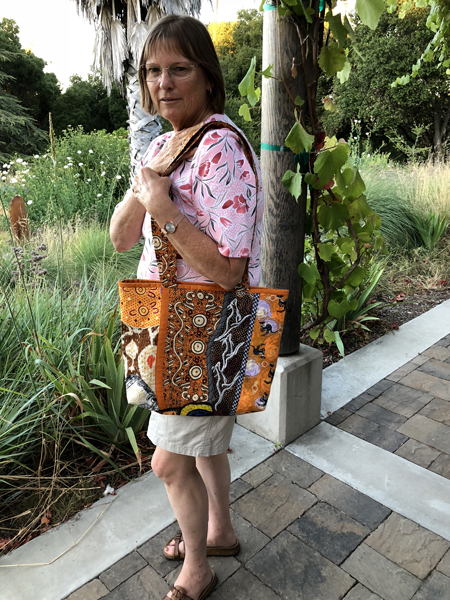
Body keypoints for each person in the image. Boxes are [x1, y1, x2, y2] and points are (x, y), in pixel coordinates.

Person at [110, 14, 263, 600]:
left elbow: (229, 271)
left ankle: (197, 568)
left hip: (201, 329)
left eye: (179, 69)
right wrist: (146, 187)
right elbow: (121, 238)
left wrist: (166, 209)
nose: (164, 83)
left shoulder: (220, 147)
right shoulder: (162, 144)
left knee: (168, 463)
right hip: (165, 321)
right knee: (203, 446)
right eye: (153, 71)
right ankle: (219, 532)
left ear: (208, 78)